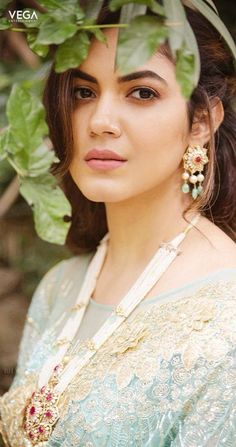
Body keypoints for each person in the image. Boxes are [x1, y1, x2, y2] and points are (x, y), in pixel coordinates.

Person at [0, 3, 236, 446]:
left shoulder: (227, 320)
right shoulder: (61, 286)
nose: (100, 122)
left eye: (142, 93)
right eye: (83, 93)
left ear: (201, 122)